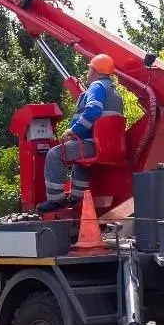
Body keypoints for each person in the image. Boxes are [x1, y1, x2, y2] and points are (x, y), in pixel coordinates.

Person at [39, 54, 124, 212]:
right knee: (81, 160)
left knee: (54, 155)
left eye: (89, 69)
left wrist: (74, 130)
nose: (87, 73)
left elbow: (93, 110)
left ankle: (55, 201)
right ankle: (76, 199)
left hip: (92, 144)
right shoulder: (114, 93)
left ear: (94, 71)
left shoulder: (97, 86)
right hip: (106, 146)